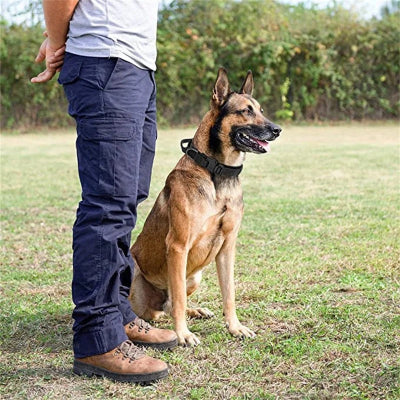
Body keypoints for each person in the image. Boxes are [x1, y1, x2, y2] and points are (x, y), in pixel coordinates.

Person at [31, 0, 177, 384]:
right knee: (108, 205)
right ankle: (97, 340)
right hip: (105, 60)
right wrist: (57, 40)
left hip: (135, 65)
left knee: (128, 197)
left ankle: (118, 313)